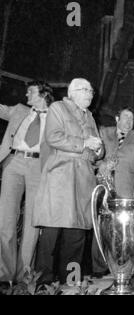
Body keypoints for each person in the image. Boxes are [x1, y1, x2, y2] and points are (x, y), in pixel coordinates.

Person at [33, 78, 104, 285]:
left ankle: (71, 280)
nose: (90, 93)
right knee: (52, 233)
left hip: (84, 179)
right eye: (85, 90)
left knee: (77, 234)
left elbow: (97, 149)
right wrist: (84, 143)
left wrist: (99, 151)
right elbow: (53, 137)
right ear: (71, 92)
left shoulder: (90, 116)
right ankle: (43, 283)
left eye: (91, 90)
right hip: (61, 175)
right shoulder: (58, 108)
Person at [0, 81, 53, 284]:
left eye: (30, 91)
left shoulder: (55, 115)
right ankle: (5, 274)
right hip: (13, 162)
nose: (26, 95)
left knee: (32, 221)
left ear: (42, 93)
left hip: (38, 166)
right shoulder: (19, 110)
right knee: (5, 219)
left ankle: (24, 276)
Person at [91, 107, 134, 278]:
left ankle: (121, 268)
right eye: (125, 117)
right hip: (103, 187)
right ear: (116, 118)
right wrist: (102, 165)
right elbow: (92, 156)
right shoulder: (103, 132)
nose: (129, 122)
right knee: (100, 227)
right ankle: (98, 268)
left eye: (131, 119)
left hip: (127, 188)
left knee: (123, 230)